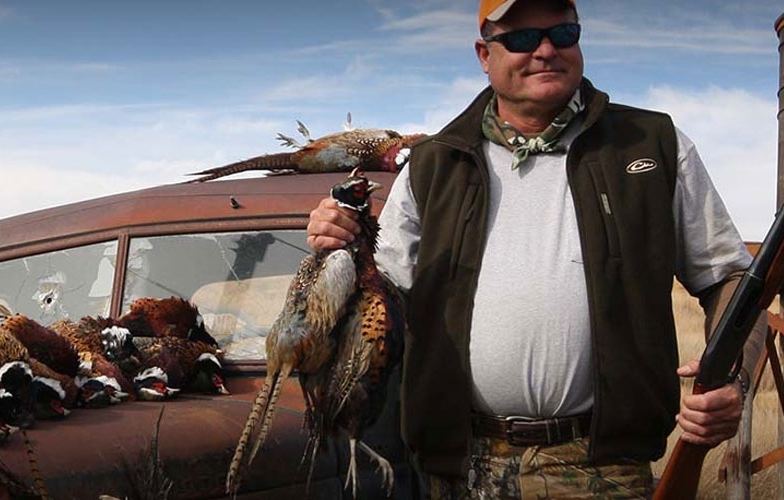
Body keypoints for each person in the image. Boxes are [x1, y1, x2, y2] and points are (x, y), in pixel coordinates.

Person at [305, 0, 759, 496]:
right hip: (460, 468)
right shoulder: (434, 164)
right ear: (484, 54)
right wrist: (339, 246)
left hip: (601, 468)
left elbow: (733, 281)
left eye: (563, 33)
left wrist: (734, 380)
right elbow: (382, 300)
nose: (546, 50)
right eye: (521, 39)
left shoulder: (650, 146)